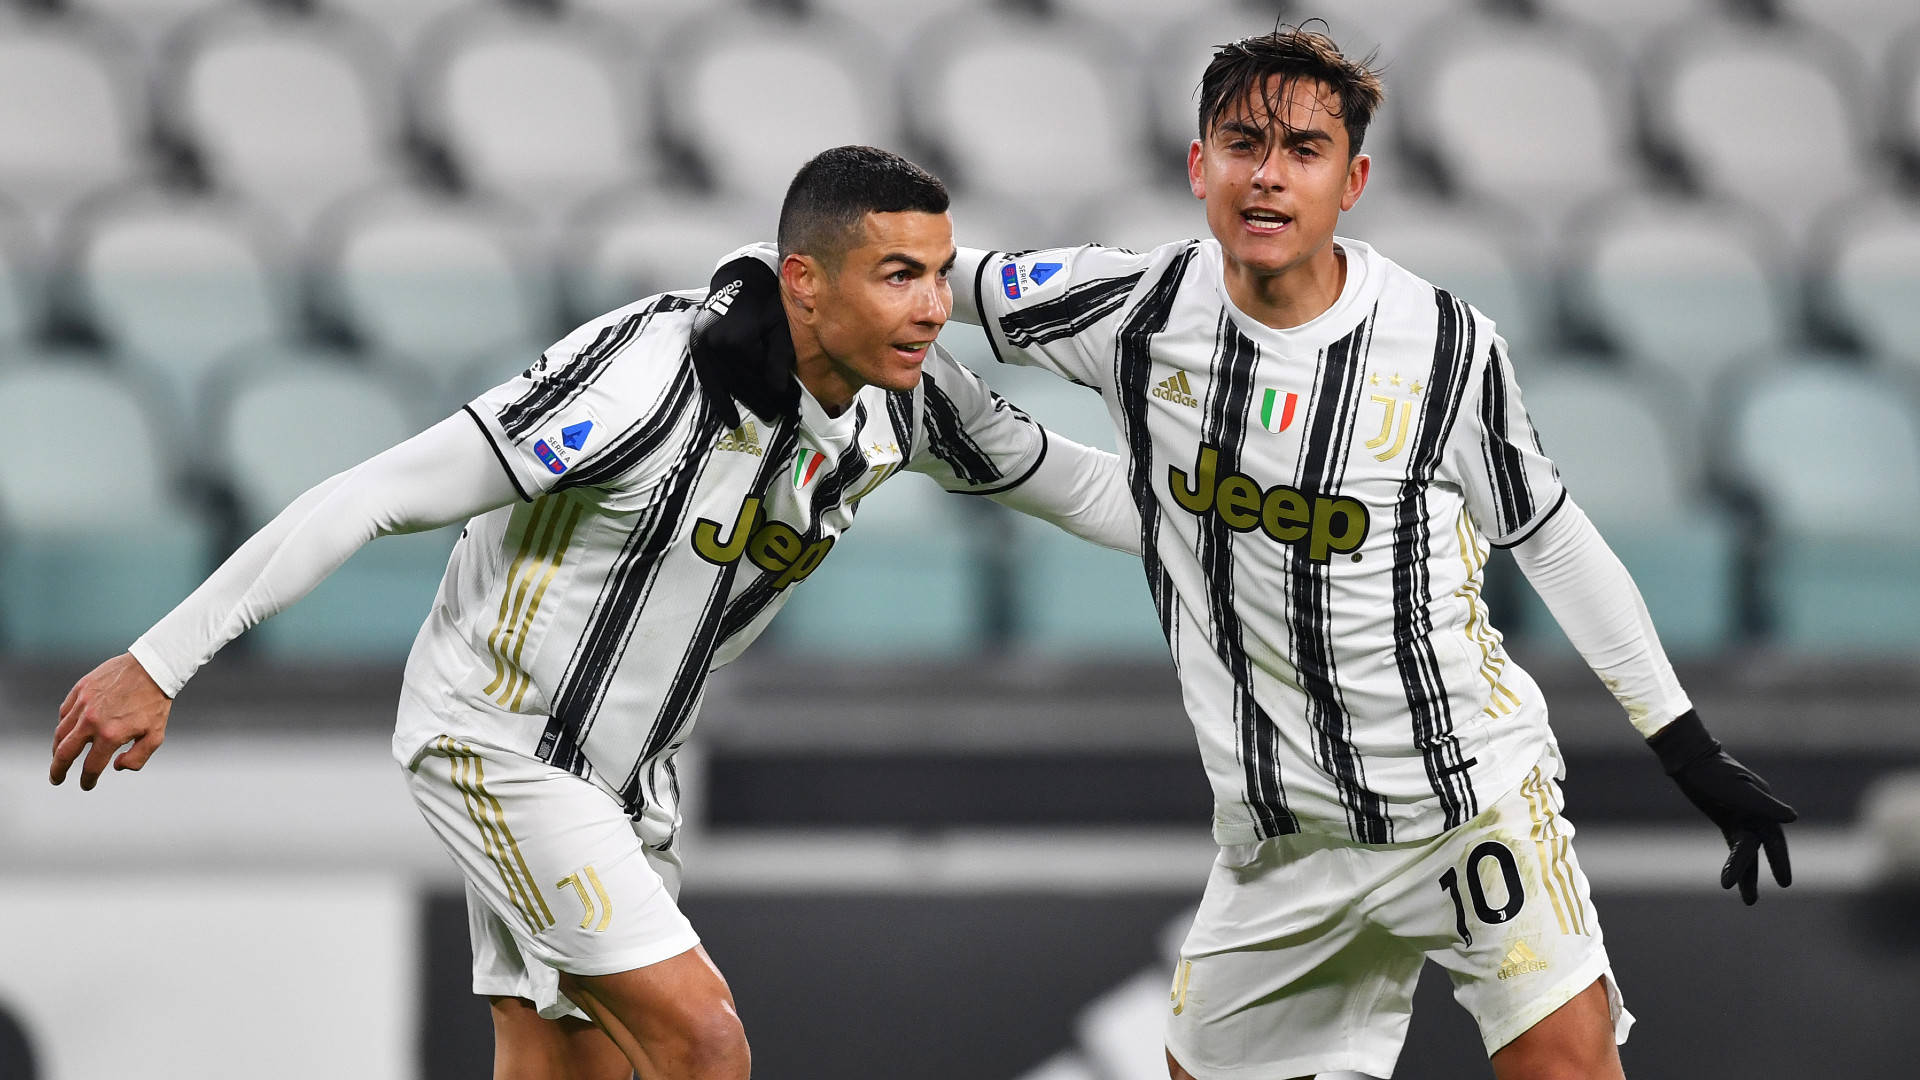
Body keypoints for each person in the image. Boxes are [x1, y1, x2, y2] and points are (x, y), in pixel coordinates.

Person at [712, 26, 1797, 1080]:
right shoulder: (1135, 309)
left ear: (1354, 180)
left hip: (1466, 806)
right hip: (1279, 846)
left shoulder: (1444, 346)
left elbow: (1553, 540)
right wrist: (750, 287)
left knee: (1566, 1068)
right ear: (1198, 165)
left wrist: (1688, 749)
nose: (1268, 177)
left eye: (1304, 151)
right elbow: (891, 266)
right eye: (1243, 145)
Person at [48, 146, 1140, 1080]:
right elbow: (374, 495)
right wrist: (161, 659)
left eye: (943, 276)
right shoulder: (643, 382)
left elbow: (1084, 485)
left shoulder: (910, 399)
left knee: (566, 1068)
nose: (934, 308)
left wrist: (1273, 532)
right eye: (900, 276)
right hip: (501, 743)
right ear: (803, 281)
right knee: (704, 1045)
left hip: (630, 777)